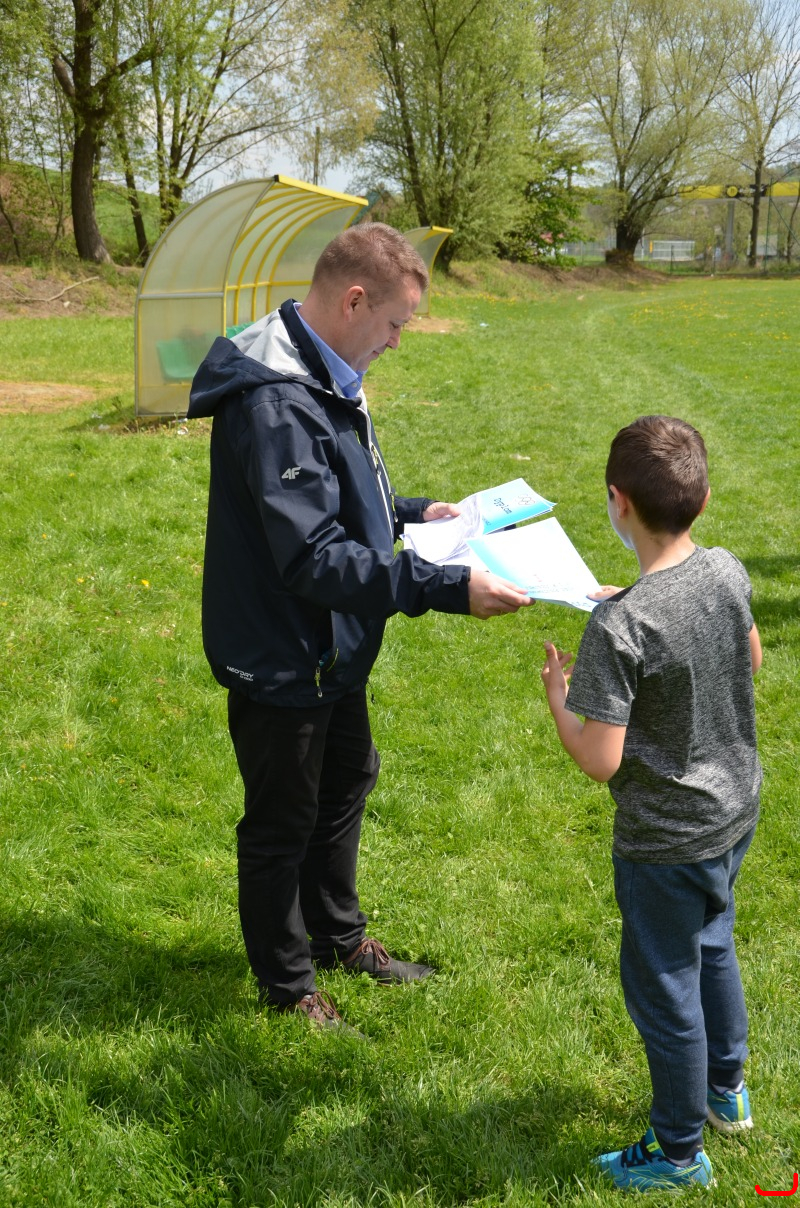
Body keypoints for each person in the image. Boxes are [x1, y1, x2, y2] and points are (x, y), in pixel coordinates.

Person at [188, 222, 530, 1030]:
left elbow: (336, 496)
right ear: (352, 301)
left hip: (330, 644)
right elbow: (312, 557)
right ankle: (287, 987)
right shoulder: (277, 401)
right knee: (282, 822)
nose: (398, 341)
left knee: (346, 781)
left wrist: (412, 512)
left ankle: (339, 939)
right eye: (395, 323)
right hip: (284, 651)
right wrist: (446, 587)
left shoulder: (324, 367)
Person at [540, 415, 762, 1193]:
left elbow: (600, 760)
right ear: (702, 500)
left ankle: (677, 1153)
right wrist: (637, 601)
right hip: (733, 812)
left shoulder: (620, 626)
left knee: (666, 988)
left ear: (618, 501)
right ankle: (727, 1093)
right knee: (713, 945)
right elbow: (750, 654)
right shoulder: (725, 570)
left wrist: (560, 700)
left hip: (664, 843)